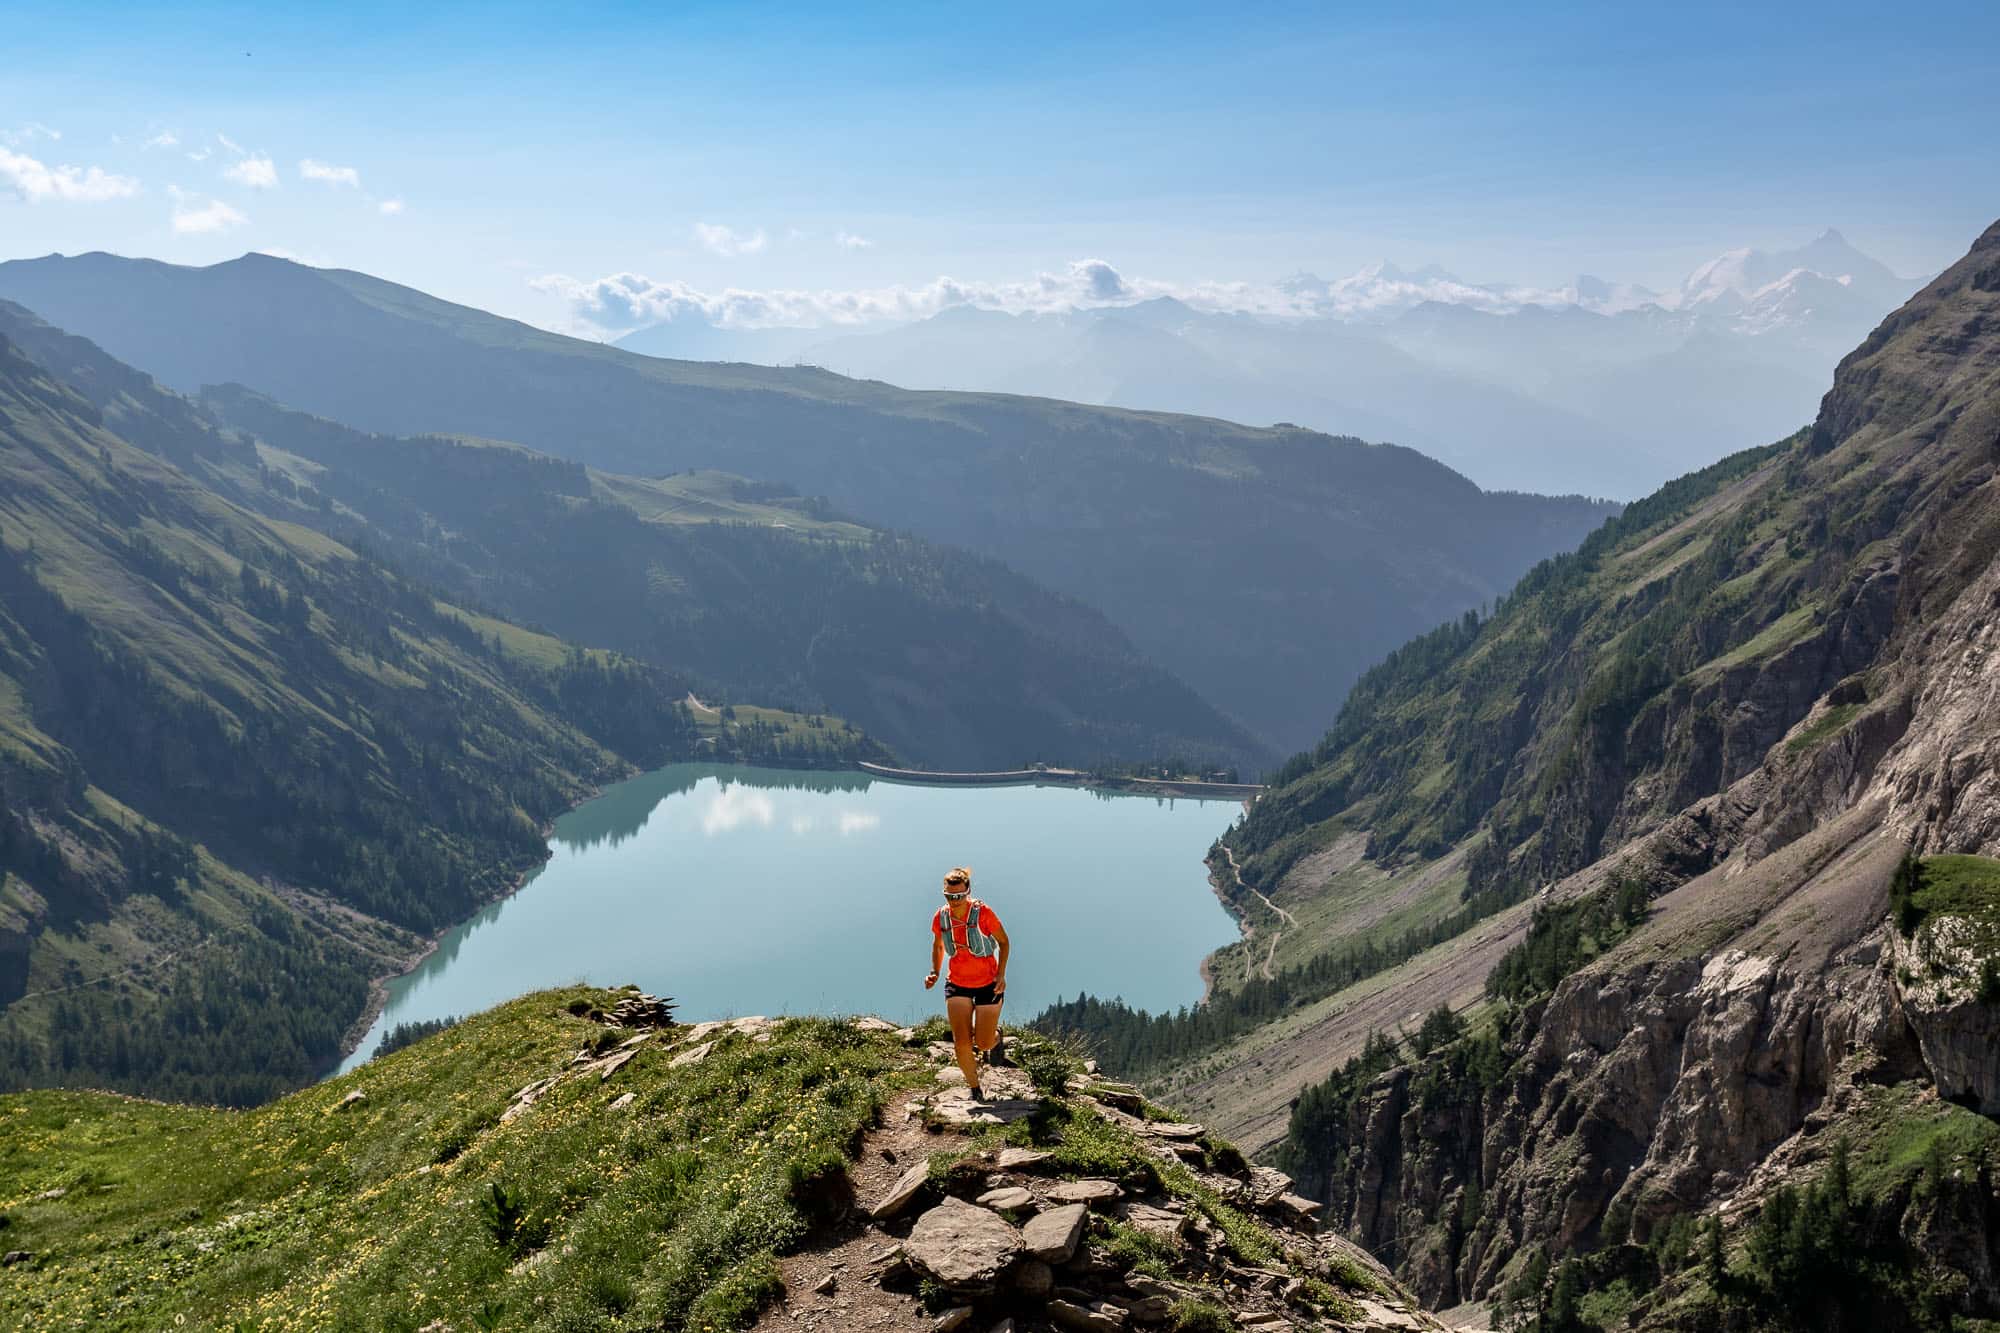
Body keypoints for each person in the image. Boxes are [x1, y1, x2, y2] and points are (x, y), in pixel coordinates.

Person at [923, 865, 1010, 1100]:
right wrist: (934, 971)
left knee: (982, 1043)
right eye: (949, 896)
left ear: (968, 891)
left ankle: (996, 1038)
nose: (955, 900)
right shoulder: (941, 917)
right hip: (957, 983)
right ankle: (974, 1088)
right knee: (961, 1041)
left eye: (959, 895)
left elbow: (1004, 942)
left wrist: (1001, 975)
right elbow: (939, 945)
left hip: (987, 983)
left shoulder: (983, 913)